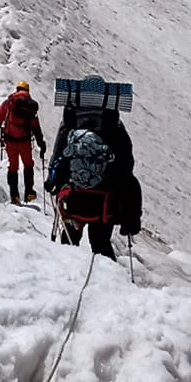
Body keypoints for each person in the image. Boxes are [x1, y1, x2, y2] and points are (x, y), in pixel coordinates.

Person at [45, 96, 143, 260]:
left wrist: (53, 182)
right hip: (105, 203)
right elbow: (127, 168)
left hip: (73, 199)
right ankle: (111, 281)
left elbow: (58, 159)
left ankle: (65, 270)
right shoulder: (115, 128)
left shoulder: (69, 127)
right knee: (100, 242)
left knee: (69, 240)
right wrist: (130, 220)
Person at [0, 80, 46, 206]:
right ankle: (28, 192)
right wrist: (41, 143)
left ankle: (14, 195)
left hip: (10, 140)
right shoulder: (29, 106)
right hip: (24, 141)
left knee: (13, 166)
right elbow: (36, 127)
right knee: (28, 164)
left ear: (17, 89)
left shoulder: (9, 103)